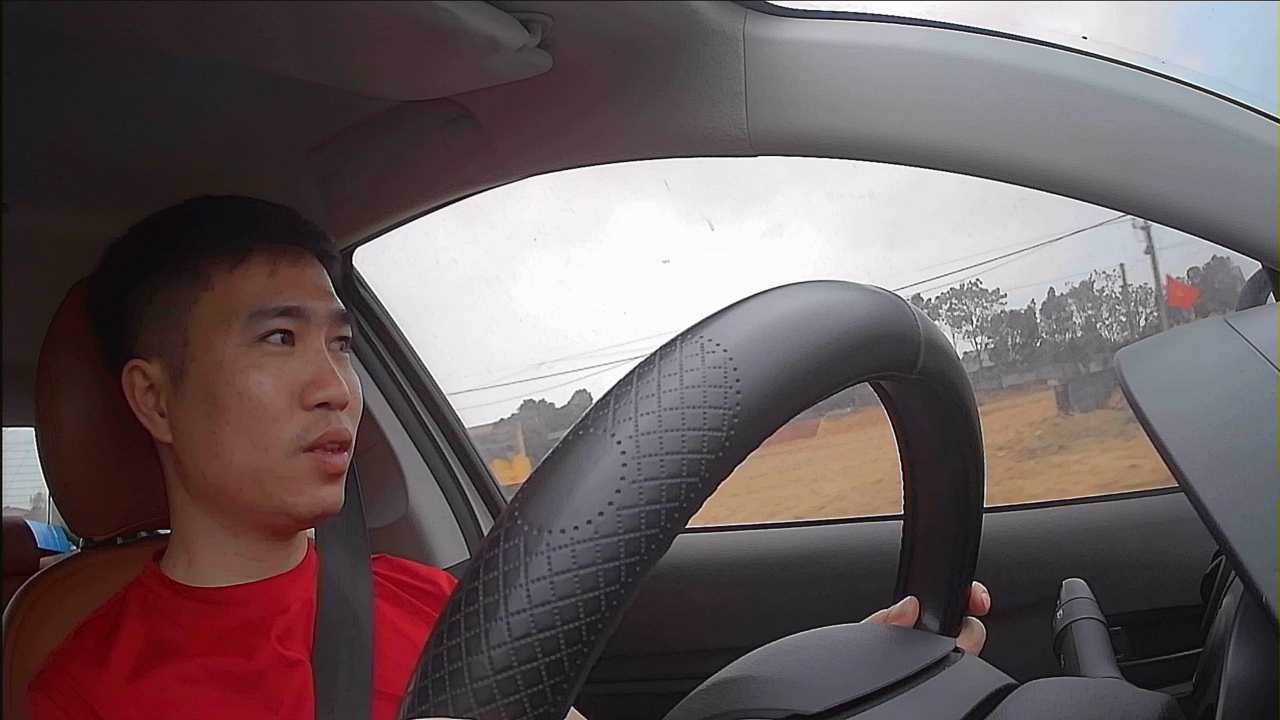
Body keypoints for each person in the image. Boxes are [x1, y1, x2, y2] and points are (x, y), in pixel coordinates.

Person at [27, 196, 991, 719]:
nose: (336, 389)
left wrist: (849, 684)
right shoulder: (79, 689)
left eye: (342, 345)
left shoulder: (445, 607)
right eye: (279, 339)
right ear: (154, 399)